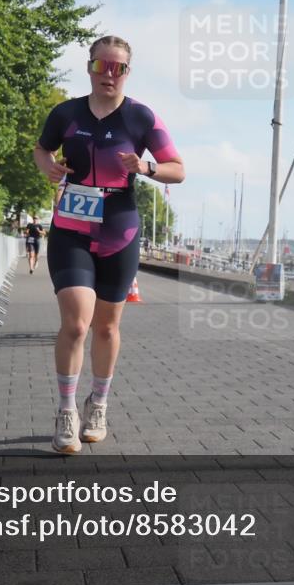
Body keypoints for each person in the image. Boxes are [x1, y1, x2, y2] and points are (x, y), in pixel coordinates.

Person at [34, 35, 184, 454]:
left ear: (127, 73)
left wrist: (148, 166)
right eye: (102, 66)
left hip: (120, 230)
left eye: (118, 68)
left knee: (107, 326)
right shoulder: (66, 112)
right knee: (77, 323)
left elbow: (178, 169)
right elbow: (41, 149)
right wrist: (48, 166)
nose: (109, 75)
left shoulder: (140, 117)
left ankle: (97, 402)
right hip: (72, 228)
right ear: (90, 68)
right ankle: (67, 412)